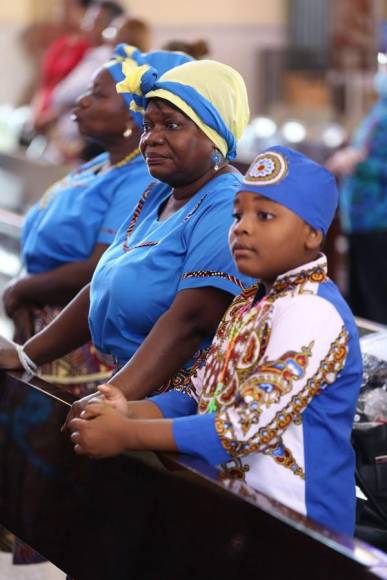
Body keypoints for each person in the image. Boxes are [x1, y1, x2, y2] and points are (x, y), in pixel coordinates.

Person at [68, 146, 363, 537]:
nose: (242, 227)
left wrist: (126, 433)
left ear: (312, 233)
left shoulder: (312, 311)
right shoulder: (249, 301)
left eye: (265, 215)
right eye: (237, 214)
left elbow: (242, 427)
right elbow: (197, 392)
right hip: (238, 511)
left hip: (299, 529)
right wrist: (128, 409)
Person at [0, 58, 252, 415]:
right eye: (148, 125)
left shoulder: (225, 203)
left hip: (181, 405)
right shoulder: (158, 194)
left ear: (215, 138)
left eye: (172, 125)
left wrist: (112, 398)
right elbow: (101, 286)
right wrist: (27, 355)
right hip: (134, 387)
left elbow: (190, 322)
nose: (152, 139)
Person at [3, 45, 192, 395]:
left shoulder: (143, 180)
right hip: (43, 327)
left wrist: (22, 290)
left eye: (98, 94)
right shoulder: (96, 165)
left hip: (81, 347)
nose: (82, 101)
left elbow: (100, 269)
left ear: (129, 117)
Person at [326, 65, 387, 325]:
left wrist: (357, 162)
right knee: (360, 299)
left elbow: (372, 161)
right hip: (359, 220)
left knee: (377, 301)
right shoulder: (379, 110)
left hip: (379, 218)